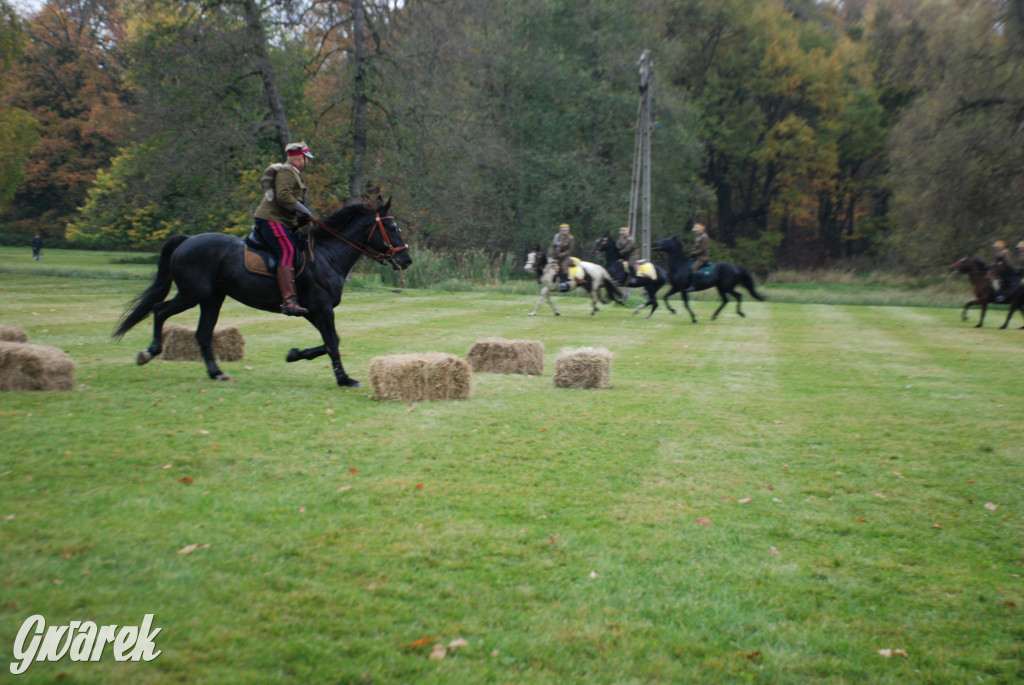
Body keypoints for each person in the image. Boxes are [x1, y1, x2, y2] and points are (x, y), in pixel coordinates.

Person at [253, 142, 316, 316]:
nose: (307, 162)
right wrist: (304, 211)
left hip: (280, 220)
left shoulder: (294, 173)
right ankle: (288, 301)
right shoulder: (288, 172)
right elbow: (283, 196)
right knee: (287, 250)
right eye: (306, 158)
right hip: (271, 218)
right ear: (299, 158)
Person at [548, 223, 575, 291]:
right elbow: (552, 246)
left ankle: (564, 283)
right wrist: (550, 254)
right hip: (556, 254)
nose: (563, 231)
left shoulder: (571, 238)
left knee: (563, 266)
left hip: (565, 256)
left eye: (565, 230)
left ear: (568, 230)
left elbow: (570, 250)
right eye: (562, 230)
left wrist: (562, 255)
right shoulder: (556, 236)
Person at [686, 223, 711, 291]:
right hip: (698, 256)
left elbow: (702, 249)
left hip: (703, 257)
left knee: (693, 268)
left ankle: (694, 286)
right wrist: (690, 250)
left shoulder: (704, 237)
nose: (695, 231)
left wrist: (693, 253)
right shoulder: (698, 237)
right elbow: (696, 247)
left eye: (697, 230)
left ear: (701, 230)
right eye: (695, 230)